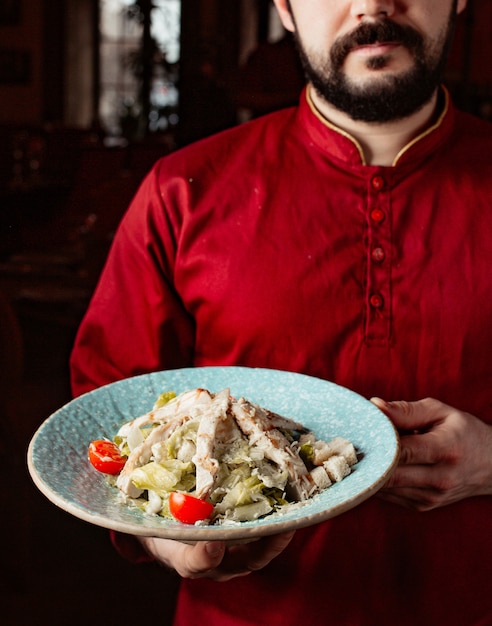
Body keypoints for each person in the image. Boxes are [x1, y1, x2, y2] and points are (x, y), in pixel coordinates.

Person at [70, 1, 492, 624]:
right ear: (284, 7)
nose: (374, 5)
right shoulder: (180, 192)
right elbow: (101, 420)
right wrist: (163, 536)